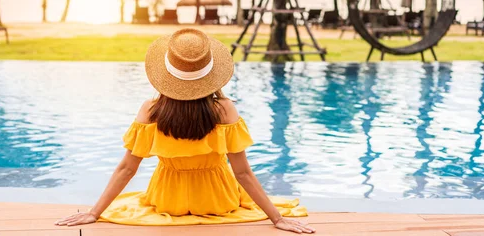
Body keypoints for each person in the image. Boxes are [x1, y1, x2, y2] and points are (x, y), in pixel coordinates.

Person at [55, 28, 314, 234]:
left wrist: (94, 212)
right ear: (211, 72)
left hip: (167, 199)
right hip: (217, 200)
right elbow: (243, 173)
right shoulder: (225, 110)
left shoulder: (150, 109)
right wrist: (276, 218)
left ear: (166, 72)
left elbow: (127, 168)